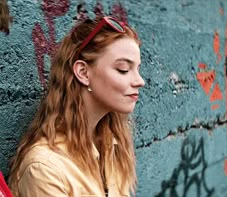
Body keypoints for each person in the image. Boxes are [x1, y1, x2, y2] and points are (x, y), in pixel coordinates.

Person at [8, 16, 145, 197]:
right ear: (83, 72)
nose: (140, 81)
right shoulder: (45, 168)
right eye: (123, 69)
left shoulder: (112, 145)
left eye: (138, 69)